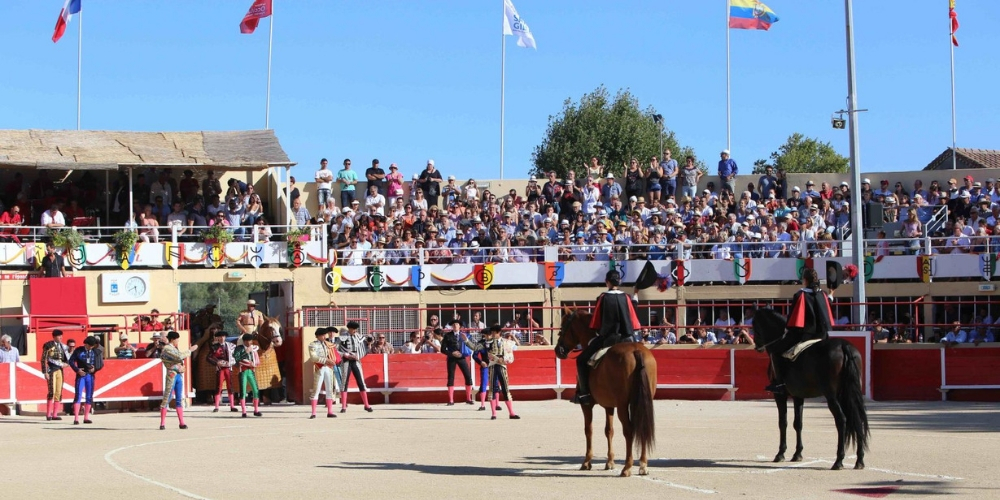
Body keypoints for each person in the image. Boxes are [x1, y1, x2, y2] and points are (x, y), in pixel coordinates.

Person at [573, 270, 640, 405]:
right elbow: (633, 317)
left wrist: (597, 331)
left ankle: (585, 394)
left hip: (608, 339)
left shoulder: (603, 297)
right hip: (627, 339)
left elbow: (596, 321)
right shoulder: (626, 297)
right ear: (619, 282)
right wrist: (636, 295)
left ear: (607, 282)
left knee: (581, 360)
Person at [764, 267, 834, 393]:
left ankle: (780, 383)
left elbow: (793, 317)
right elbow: (826, 307)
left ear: (805, 280)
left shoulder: (800, 294)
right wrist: (831, 296)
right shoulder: (822, 294)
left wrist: (786, 330)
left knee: (775, 352)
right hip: (823, 335)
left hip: (806, 336)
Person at [159, 331, 198, 430]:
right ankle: (162, 423)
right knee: (167, 398)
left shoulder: (173, 348)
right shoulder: (167, 348)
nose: (178, 341)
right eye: (177, 339)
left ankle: (182, 423)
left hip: (178, 375)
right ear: (173, 339)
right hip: (171, 375)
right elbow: (180, 356)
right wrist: (190, 350)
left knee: (179, 399)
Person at [481, 324, 520, 420]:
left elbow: (512, 354)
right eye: (492, 332)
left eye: (494, 332)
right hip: (492, 367)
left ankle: (511, 413)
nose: (493, 334)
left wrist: (504, 359)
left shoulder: (507, 343)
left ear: (499, 333)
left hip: (502, 367)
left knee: (505, 389)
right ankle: (494, 414)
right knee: (492, 389)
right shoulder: (487, 343)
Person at [338, 321, 374, 413]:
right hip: (346, 360)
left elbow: (367, 344)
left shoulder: (359, 336)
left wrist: (370, 340)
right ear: (349, 328)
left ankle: (366, 405)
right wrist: (344, 354)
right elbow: (336, 349)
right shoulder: (342, 336)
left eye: (355, 329)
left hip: (356, 360)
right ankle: (343, 406)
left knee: (361, 382)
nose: (355, 330)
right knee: (344, 382)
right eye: (353, 329)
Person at [438, 320, 474, 406]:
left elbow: (470, 345)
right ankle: (451, 400)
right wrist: (451, 353)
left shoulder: (464, 336)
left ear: (460, 326)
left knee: (468, 376)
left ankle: (468, 398)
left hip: (462, 357)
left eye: (457, 324)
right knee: (451, 377)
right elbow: (442, 349)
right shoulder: (448, 336)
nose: (455, 326)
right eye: (453, 325)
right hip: (451, 358)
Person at [308, 327, 341, 419]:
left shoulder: (328, 345)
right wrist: (326, 360)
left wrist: (332, 361)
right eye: (322, 335)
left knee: (329, 389)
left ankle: (330, 411)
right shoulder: (312, 345)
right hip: (320, 368)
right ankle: (314, 413)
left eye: (324, 335)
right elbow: (313, 358)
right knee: (316, 389)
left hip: (328, 368)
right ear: (317, 336)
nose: (324, 336)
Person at [68, 337, 102, 425]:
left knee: (89, 396)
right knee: (78, 395)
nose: (91, 347)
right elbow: (71, 361)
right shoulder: (79, 350)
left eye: (92, 346)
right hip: (81, 375)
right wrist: (77, 370)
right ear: (85, 344)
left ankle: (86, 417)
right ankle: (76, 418)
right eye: (90, 345)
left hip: (90, 375)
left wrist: (95, 369)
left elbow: (100, 364)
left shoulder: (96, 352)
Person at [205, 328, 238, 413]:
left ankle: (232, 406)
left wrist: (232, 362)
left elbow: (235, 356)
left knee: (230, 386)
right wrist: (217, 362)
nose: (222, 338)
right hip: (220, 369)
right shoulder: (214, 347)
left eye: (223, 336)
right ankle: (216, 406)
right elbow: (208, 358)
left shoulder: (230, 346)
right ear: (218, 338)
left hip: (228, 367)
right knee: (219, 386)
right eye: (220, 337)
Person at [42, 330, 69, 421]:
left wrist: (66, 364)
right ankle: (48, 414)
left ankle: (54, 414)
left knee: (58, 391)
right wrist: (45, 372)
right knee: (51, 392)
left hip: (60, 370)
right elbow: (44, 359)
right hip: (51, 370)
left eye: (61, 336)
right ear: (54, 337)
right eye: (59, 336)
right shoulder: (48, 345)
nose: (61, 338)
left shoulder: (63, 346)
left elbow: (66, 358)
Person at [233, 334, 263, 418]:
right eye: (248, 341)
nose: (250, 342)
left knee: (256, 390)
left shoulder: (253, 348)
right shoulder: (239, 348)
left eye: (250, 341)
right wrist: (245, 352)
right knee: (243, 391)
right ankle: (244, 411)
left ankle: (256, 410)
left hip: (251, 371)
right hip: (243, 371)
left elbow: (255, 359)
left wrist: (254, 364)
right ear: (245, 341)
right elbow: (236, 357)